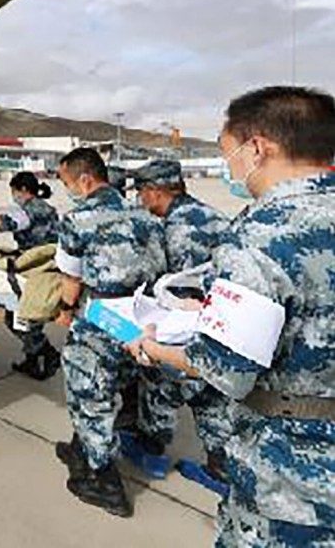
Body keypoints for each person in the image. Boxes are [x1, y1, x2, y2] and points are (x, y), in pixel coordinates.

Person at [131, 86, 335, 547]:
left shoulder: (263, 233)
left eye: (229, 154)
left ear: (258, 148)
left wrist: (155, 348)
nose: (230, 168)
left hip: (296, 483)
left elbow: (228, 369)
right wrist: (208, 308)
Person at [53, 147, 167, 518]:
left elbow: (71, 280)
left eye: (68, 182)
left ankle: (105, 481)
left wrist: (65, 311)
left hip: (100, 315)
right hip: (140, 317)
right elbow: (158, 266)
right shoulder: (145, 214)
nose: (68, 190)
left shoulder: (78, 218)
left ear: (85, 179)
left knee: (90, 393)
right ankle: (80, 448)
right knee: (117, 384)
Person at [127, 160, 233, 485]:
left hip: (192, 327)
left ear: (155, 192)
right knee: (212, 397)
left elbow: (181, 295)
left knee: (160, 383)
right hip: (226, 325)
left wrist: (150, 334)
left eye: (142, 193)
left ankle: (151, 449)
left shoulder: (178, 230)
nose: (140, 201)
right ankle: (220, 468)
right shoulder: (211, 214)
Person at [0, 171, 61, 379]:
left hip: (33, 269)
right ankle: (33, 360)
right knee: (28, 316)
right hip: (50, 267)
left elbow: (2, 222)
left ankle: (47, 353)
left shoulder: (28, 211)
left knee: (17, 317)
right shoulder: (49, 209)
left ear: (23, 190)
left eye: (14, 191)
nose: (13, 195)